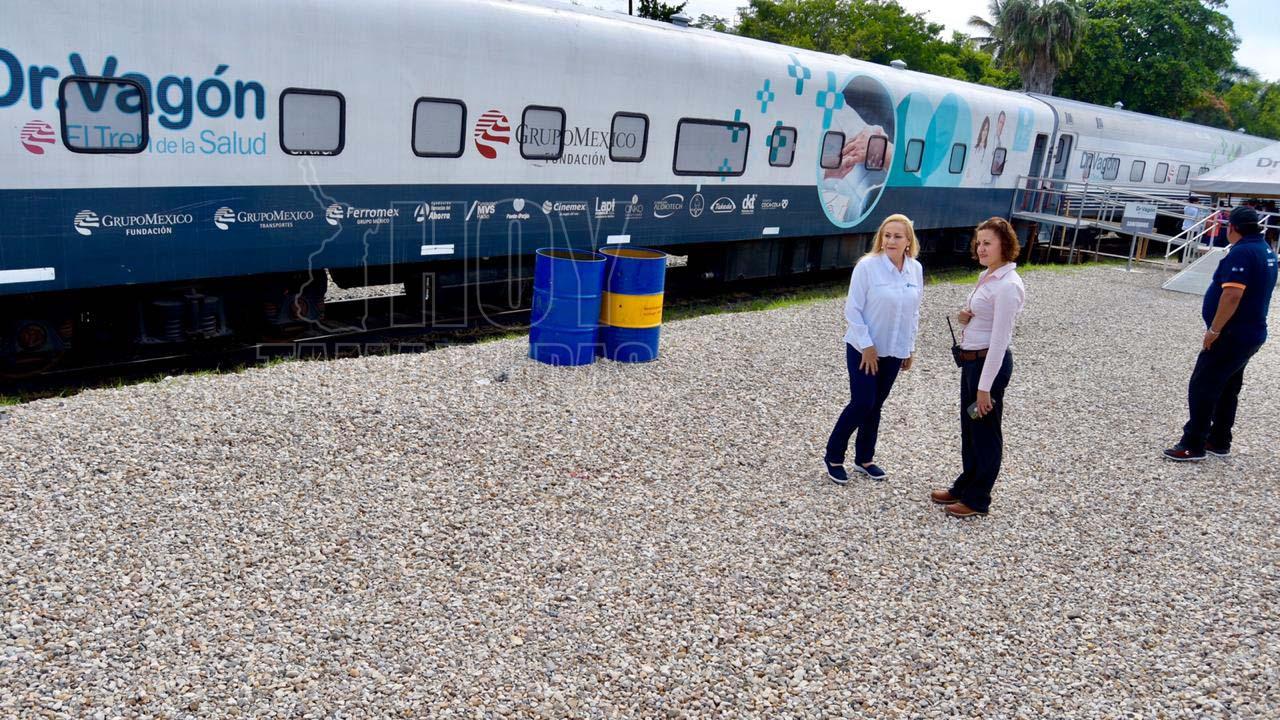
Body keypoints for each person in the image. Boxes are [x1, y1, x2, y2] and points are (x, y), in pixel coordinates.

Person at [1162, 205, 1278, 461]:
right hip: (1251, 332)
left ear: (1232, 227)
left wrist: (1215, 329)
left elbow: (1232, 294)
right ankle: (1219, 439)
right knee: (1227, 387)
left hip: (1232, 334)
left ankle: (1193, 443)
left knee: (1203, 385)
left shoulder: (1243, 253)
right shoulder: (1266, 250)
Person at [931, 217, 1026, 518]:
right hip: (973, 363)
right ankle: (965, 485)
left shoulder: (1008, 285)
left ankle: (978, 499)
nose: (981, 248)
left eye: (988, 243)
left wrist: (984, 388)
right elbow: (982, 319)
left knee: (985, 433)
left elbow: (1000, 340)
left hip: (989, 367)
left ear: (1004, 245)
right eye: (979, 242)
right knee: (970, 430)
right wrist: (965, 318)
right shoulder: (988, 276)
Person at [824, 213, 923, 484]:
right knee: (862, 402)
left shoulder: (915, 269)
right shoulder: (867, 267)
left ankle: (864, 459)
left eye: (897, 236)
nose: (891, 240)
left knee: (876, 404)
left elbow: (914, 313)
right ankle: (833, 456)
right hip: (864, 348)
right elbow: (852, 310)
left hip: (895, 349)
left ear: (908, 241)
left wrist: (909, 348)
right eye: (886, 235)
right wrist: (867, 346)